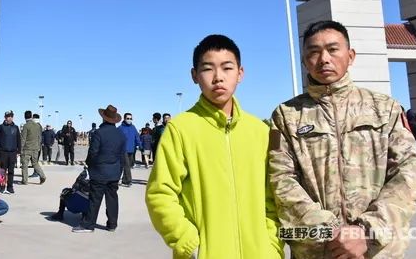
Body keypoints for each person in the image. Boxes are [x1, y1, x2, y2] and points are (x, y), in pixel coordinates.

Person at [269, 20, 416, 258]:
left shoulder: (385, 109)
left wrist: (365, 231)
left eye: (332, 49)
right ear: (304, 61)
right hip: (318, 250)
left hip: (377, 249)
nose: (324, 59)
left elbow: (407, 174)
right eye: (314, 52)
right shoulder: (286, 116)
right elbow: (281, 180)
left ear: (350, 56)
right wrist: (331, 232)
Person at [146, 34, 283, 258]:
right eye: (208, 69)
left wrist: (271, 247)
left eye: (227, 68)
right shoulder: (180, 129)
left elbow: (272, 198)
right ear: (194, 75)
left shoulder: (260, 131)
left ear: (240, 73)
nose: (218, 77)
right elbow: (160, 193)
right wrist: (188, 242)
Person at [72, 104, 126, 233]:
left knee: (95, 199)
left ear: (103, 118)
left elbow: (93, 153)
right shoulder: (121, 135)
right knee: (112, 198)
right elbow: (122, 156)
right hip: (114, 172)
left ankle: (88, 225)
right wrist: (120, 171)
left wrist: (89, 165)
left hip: (99, 172)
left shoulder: (99, 133)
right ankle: (112, 224)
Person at [0, 110, 20, 194]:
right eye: (8, 116)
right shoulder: (1, 127)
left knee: (11, 171)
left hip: (13, 153)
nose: (9, 118)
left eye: (11, 116)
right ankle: (2, 187)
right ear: (5, 117)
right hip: (3, 153)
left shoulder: (16, 127)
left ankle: (10, 187)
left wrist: (18, 151)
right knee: (2, 171)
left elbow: (18, 139)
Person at [20, 110, 46, 185]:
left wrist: (20, 149)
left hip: (26, 149)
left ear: (25, 117)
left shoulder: (26, 126)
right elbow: (39, 137)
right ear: (31, 116)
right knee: (35, 163)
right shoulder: (37, 125)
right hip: (35, 148)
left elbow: (23, 138)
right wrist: (38, 147)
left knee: (25, 165)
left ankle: (25, 180)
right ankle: (42, 176)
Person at [118, 112, 141, 187]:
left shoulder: (133, 127)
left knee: (126, 165)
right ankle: (128, 181)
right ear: (124, 119)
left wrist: (140, 146)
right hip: (123, 150)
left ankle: (121, 179)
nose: (129, 120)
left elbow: (137, 137)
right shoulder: (120, 128)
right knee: (127, 165)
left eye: (131, 118)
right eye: (128, 118)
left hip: (131, 150)